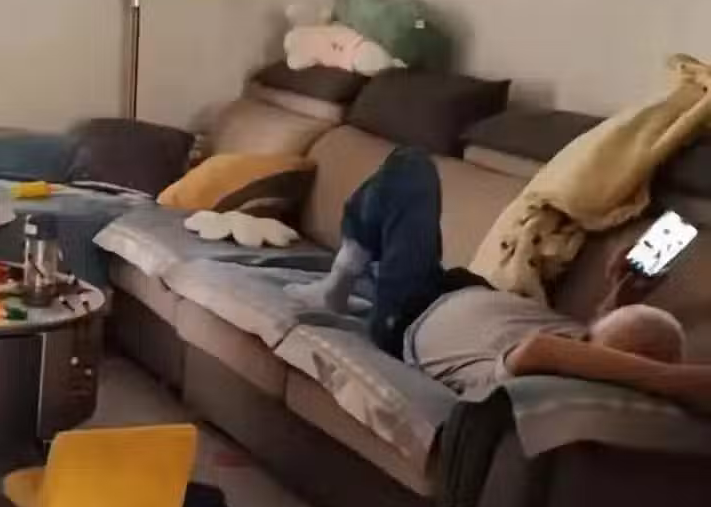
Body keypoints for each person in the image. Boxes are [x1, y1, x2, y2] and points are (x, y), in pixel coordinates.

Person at [286, 147, 711, 412]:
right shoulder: (581, 346)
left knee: (409, 170)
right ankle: (360, 265)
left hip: (408, 315)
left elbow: (548, 349)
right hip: (460, 287)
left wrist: (663, 376)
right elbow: (588, 341)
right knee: (395, 196)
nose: (588, 332)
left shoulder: (540, 370)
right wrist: (619, 295)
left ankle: (339, 284)